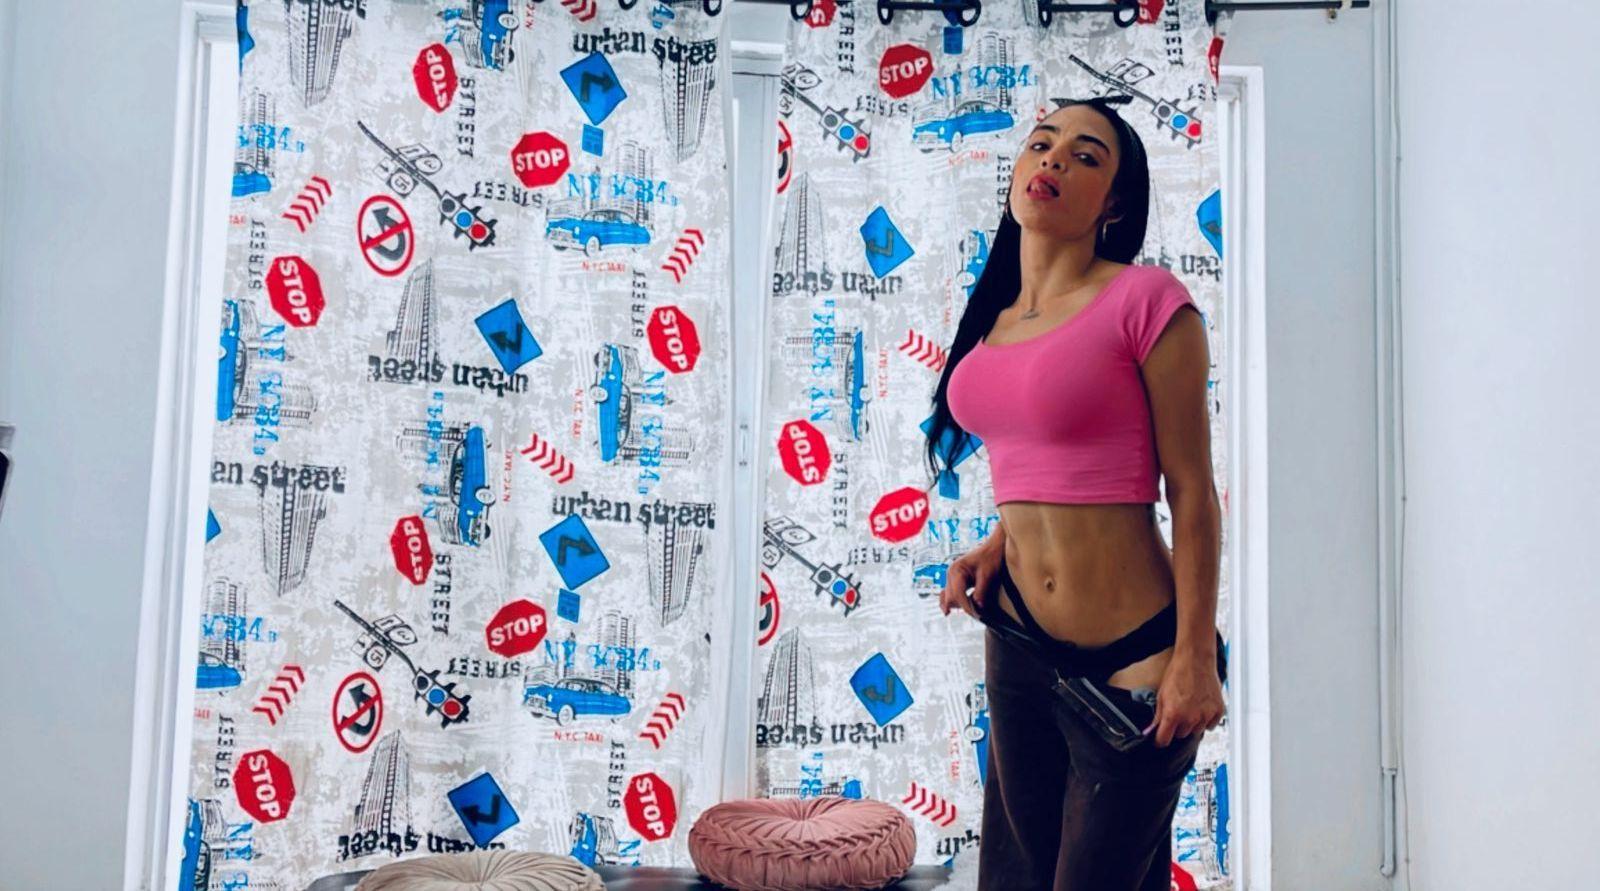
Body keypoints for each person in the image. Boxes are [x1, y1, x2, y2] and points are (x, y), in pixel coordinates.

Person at [925, 96, 1227, 891]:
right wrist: (998, 543)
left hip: (1137, 654)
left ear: (1113, 203)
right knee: (1016, 879)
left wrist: (1196, 653)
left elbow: (1192, 491)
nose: (1054, 159)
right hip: (1019, 640)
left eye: (1086, 155)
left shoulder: (1146, 299)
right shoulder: (993, 320)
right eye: (1042, 144)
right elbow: (1042, 456)